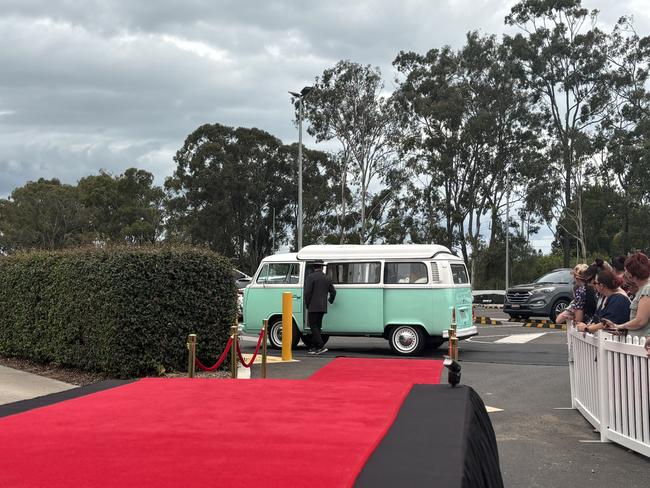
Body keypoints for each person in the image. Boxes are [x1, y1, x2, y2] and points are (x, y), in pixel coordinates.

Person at [601, 252, 650, 338]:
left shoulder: (646, 289)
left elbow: (640, 321)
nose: (624, 272)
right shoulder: (643, 289)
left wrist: (619, 326)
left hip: (642, 345)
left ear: (631, 275)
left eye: (626, 269)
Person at [575, 268, 630, 334]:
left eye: (595, 283)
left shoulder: (619, 299)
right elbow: (599, 320)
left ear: (601, 286)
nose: (593, 285)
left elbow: (607, 324)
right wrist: (591, 325)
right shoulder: (608, 297)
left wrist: (586, 328)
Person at [304, 261, 336, 355]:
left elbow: (307, 293)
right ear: (321, 268)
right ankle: (314, 347)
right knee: (317, 327)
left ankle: (321, 345)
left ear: (314, 268)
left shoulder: (310, 277)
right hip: (322, 306)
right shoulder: (327, 278)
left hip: (313, 306)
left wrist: (307, 303)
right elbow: (333, 292)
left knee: (313, 326)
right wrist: (330, 300)